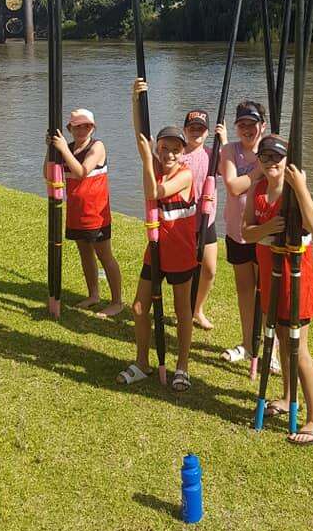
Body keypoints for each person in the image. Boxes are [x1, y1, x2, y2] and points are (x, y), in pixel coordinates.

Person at [242, 134, 313, 446]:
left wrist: (302, 187)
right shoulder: (258, 190)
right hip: (270, 275)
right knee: (281, 339)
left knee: (299, 349)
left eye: (276, 157)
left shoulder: (294, 190)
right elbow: (246, 232)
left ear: (287, 161)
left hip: (296, 277)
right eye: (265, 157)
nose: (270, 163)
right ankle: (287, 396)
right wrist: (267, 229)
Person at [117, 79, 196, 392]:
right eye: (164, 148)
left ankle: (182, 367)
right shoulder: (154, 160)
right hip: (155, 250)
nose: (170, 154)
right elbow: (141, 135)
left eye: (176, 149)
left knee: (182, 311)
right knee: (138, 307)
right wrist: (137, 98)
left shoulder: (185, 174)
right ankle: (143, 362)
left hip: (181, 253)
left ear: (183, 152)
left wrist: (147, 158)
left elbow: (154, 191)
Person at [44, 108, 123, 317]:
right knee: (85, 253)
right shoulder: (66, 149)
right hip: (76, 213)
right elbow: (48, 173)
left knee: (104, 255)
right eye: (77, 126)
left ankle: (117, 301)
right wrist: (51, 149)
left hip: (96, 214)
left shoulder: (97, 146)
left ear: (93, 127)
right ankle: (93, 295)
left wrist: (63, 149)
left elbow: (81, 172)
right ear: (70, 128)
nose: (82, 130)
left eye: (86, 126)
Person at [219, 100, 267, 363]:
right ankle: (248, 343)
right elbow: (233, 186)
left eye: (253, 124)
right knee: (245, 290)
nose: (248, 129)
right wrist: (260, 170)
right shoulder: (229, 150)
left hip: (264, 233)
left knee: (266, 293)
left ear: (263, 125)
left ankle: (269, 349)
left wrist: (260, 169)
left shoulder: (271, 147)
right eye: (242, 124)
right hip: (237, 232)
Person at [182, 109, 227, 331]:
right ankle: (184, 310)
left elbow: (229, 173)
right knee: (185, 270)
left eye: (200, 128)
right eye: (192, 128)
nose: (196, 132)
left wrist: (225, 141)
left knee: (209, 270)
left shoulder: (214, 154)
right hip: (185, 222)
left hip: (206, 222)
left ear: (208, 132)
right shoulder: (177, 154)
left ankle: (197, 309)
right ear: (184, 130)